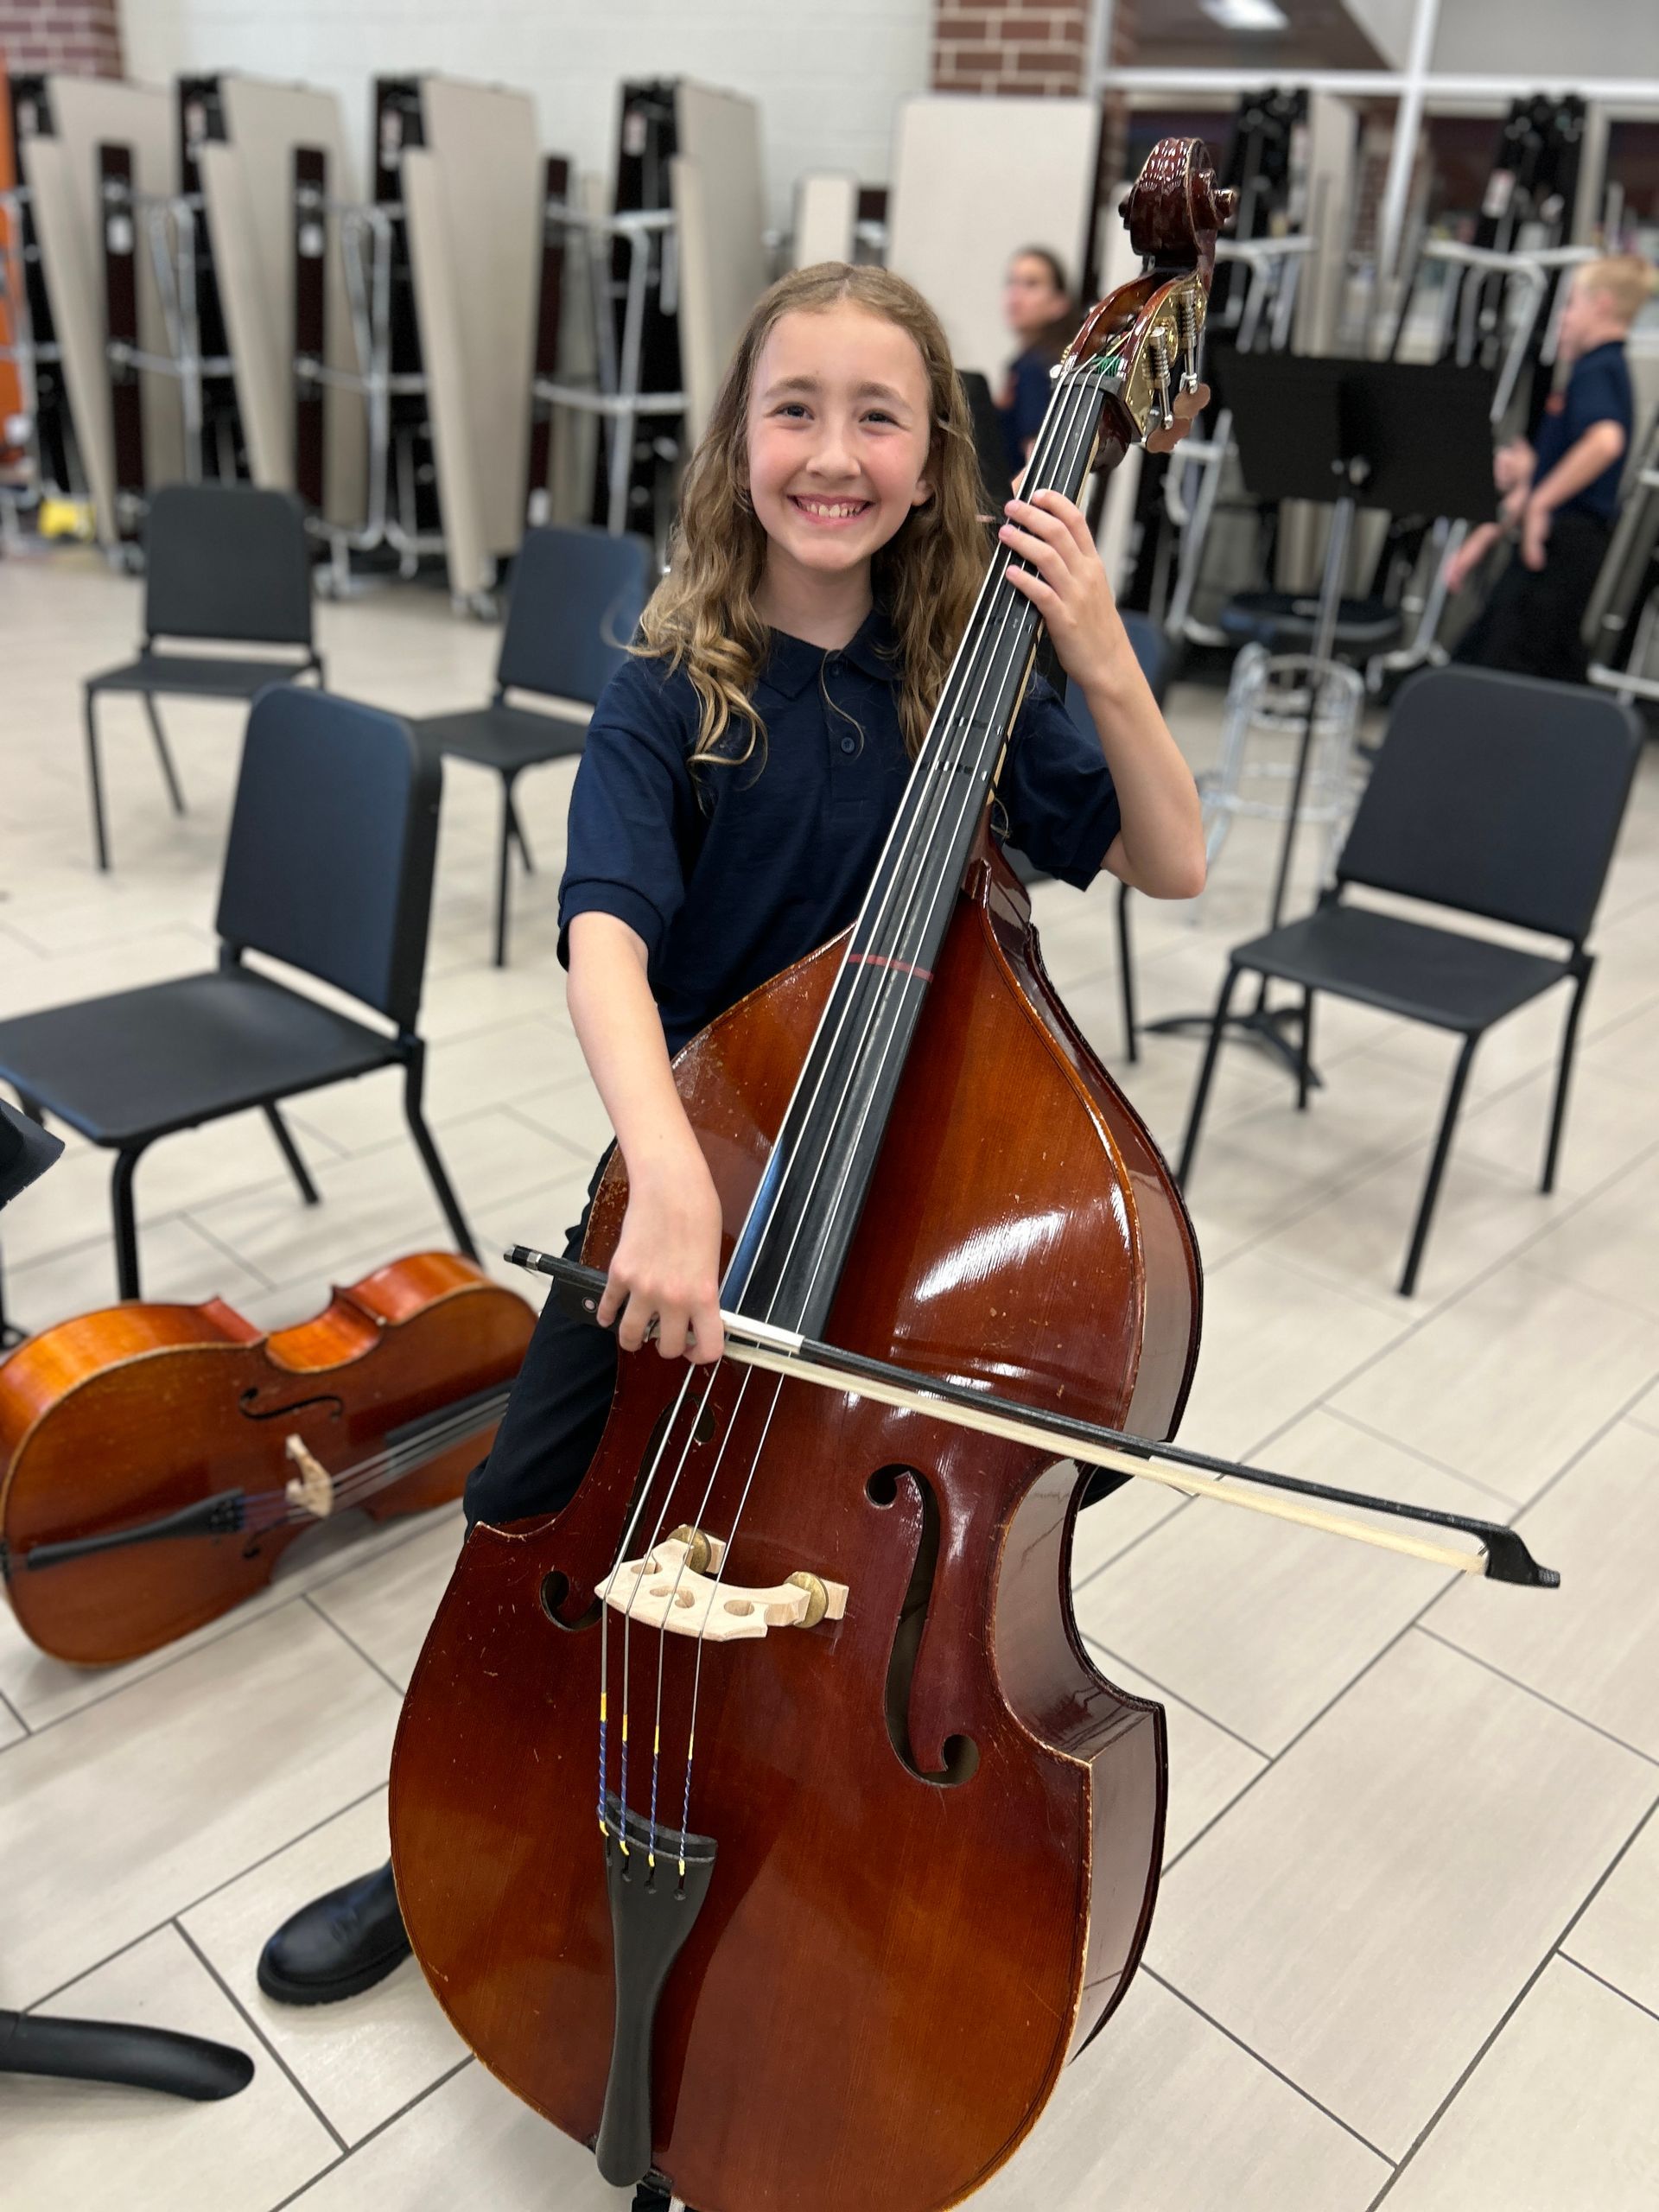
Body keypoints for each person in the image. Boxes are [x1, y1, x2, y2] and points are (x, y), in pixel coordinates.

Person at [255, 262, 1206, 2211]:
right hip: (667, 1235)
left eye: (881, 414)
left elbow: (1177, 859)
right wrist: (673, 1174)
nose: (835, 453)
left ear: (937, 449)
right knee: (533, 1524)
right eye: (797, 410)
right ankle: (454, 1827)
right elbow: (607, 928)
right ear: (738, 441)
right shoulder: (665, 683)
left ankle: (803, 1923)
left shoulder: (975, 686)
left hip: (897, 1282)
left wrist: (1100, 652)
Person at [1444, 253, 1651, 683]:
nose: (1563, 318)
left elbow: (1605, 442)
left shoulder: (1600, 369)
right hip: (1555, 537)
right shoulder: (1586, 373)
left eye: (1572, 304)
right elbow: (1547, 471)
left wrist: (1540, 505)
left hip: (1568, 538)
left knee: (1505, 657)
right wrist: (1487, 535)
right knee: (1523, 652)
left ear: (1602, 305)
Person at [998, 245, 1073, 474]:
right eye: (1012, 282)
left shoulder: (1036, 367)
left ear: (1059, 304)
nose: (1016, 295)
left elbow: (1034, 455)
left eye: (1031, 284)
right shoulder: (1031, 361)